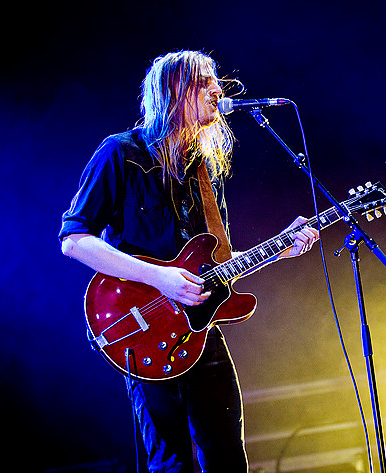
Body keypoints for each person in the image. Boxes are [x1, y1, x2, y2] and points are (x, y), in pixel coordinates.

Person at [59, 50, 319, 472]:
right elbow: (73, 240)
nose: (217, 89)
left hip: (201, 332)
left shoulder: (204, 170)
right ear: (171, 93)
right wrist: (159, 278)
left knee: (228, 457)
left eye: (215, 79)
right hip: (143, 328)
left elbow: (215, 261)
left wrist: (282, 248)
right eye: (203, 81)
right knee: (170, 463)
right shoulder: (121, 154)